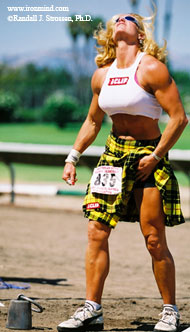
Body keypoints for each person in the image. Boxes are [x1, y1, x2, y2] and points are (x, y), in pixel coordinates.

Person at [57, 8, 188, 332]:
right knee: (96, 231)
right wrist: (72, 157)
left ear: (140, 34)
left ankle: (170, 312)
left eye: (128, 17)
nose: (120, 19)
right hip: (112, 156)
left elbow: (178, 118)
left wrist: (157, 156)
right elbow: (92, 121)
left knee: (154, 238)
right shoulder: (101, 74)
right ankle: (92, 309)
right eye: (116, 18)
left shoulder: (152, 68)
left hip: (148, 156)